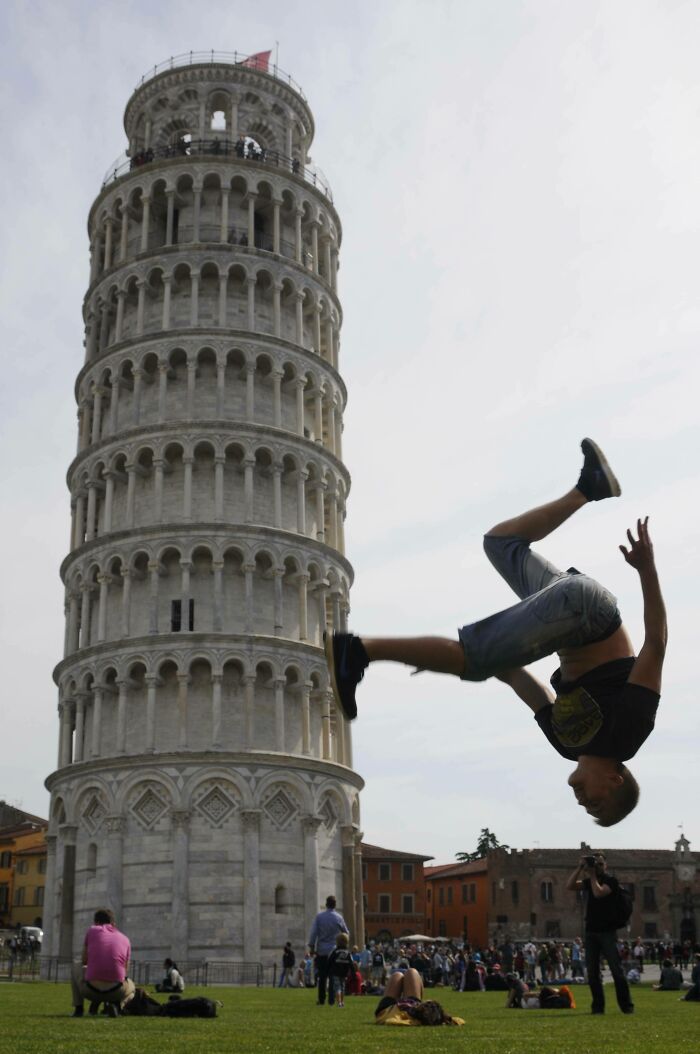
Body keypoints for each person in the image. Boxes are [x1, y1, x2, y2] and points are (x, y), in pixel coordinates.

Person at [325, 439, 667, 828]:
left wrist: (437, 659)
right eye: (597, 804)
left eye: (587, 810)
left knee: (500, 543)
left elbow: (516, 678)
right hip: (589, 613)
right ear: (615, 779)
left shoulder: (566, 745)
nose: (583, 802)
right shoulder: (628, 735)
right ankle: (357, 650)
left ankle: (589, 487)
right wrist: (646, 569)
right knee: (476, 657)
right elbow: (655, 646)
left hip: (567, 617)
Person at [566, 852, 634, 1014]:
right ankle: (598, 1007)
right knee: (592, 972)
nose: (598, 867)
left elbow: (599, 893)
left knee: (616, 970)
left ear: (606, 866)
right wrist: (580, 867)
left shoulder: (612, 881)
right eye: (595, 864)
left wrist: (591, 874)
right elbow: (569, 886)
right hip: (591, 931)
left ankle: (626, 1006)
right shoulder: (589, 881)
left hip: (607, 932)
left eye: (601, 864)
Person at [70, 908, 135, 1018]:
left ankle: (78, 1008)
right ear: (113, 924)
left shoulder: (92, 930)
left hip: (90, 990)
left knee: (75, 965)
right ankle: (118, 1006)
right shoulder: (125, 939)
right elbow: (125, 971)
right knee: (132, 989)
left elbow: (84, 960)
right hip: (116, 991)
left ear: (96, 922)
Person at [374, 969, 464, 1026]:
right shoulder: (421, 1008)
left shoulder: (412, 1020)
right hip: (412, 1002)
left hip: (388, 1009)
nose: (428, 1001)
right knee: (411, 972)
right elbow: (460, 1020)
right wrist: (446, 1019)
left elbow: (390, 1021)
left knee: (397, 975)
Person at [308, 895, 349, 1006]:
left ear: (326, 904)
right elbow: (346, 932)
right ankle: (331, 1000)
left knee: (322, 976)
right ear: (335, 905)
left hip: (321, 950)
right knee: (332, 976)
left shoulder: (319, 917)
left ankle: (321, 999)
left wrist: (312, 947)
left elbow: (313, 933)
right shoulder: (339, 918)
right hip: (334, 951)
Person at [328, 932, 353, 1007]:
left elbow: (330, 961)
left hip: (335, 972)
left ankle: (338, 1002)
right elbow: (351, 963)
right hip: (344, 973)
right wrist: (353, 972)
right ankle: (342, 1002)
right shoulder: (348, 953)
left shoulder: (335, 951)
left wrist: (328, 970)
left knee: (337, 987)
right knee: (342, 987)